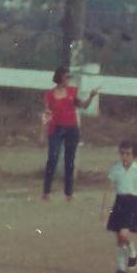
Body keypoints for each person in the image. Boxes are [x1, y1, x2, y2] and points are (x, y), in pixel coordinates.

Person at [40, 67, 91, 202]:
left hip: (71, 128)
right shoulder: (50, 94)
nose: (67, 80)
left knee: (70, 161)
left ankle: (68, 193)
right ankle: (46, 191)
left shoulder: (72, 92)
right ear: (59, 78)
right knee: (53, 158)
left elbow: (83, 106)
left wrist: (91, 97)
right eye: (65, 77)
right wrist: (43, 130)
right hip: (55, 128)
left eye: (68, 78)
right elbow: (47, 113)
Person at [103, 139, 137, 273]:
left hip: (133, 202)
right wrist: (104, 208)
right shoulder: (115, 168)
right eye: (122, 153)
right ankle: (121, 266)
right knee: (119, 238)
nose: (124, 157)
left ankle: (132, 250)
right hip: (120, 201)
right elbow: (107, 189)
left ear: (134, 155)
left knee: (124, 234)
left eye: (128, 154)